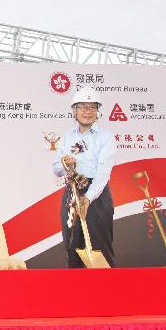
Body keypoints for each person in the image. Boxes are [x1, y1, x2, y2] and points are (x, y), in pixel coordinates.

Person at [52, 86, 116, 268]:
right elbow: (56, 168)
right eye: (82, 107)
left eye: (91, 107)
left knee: (99, 245)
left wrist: (87, 198)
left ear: (97, 111)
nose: (86, 112)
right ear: (74, 110)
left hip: (96, 195)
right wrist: (66, 165)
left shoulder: (105, 137)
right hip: (72, 194)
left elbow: (103, 172)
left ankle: (104, 292)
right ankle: (75, 293)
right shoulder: (66, 138)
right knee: (72, 246)